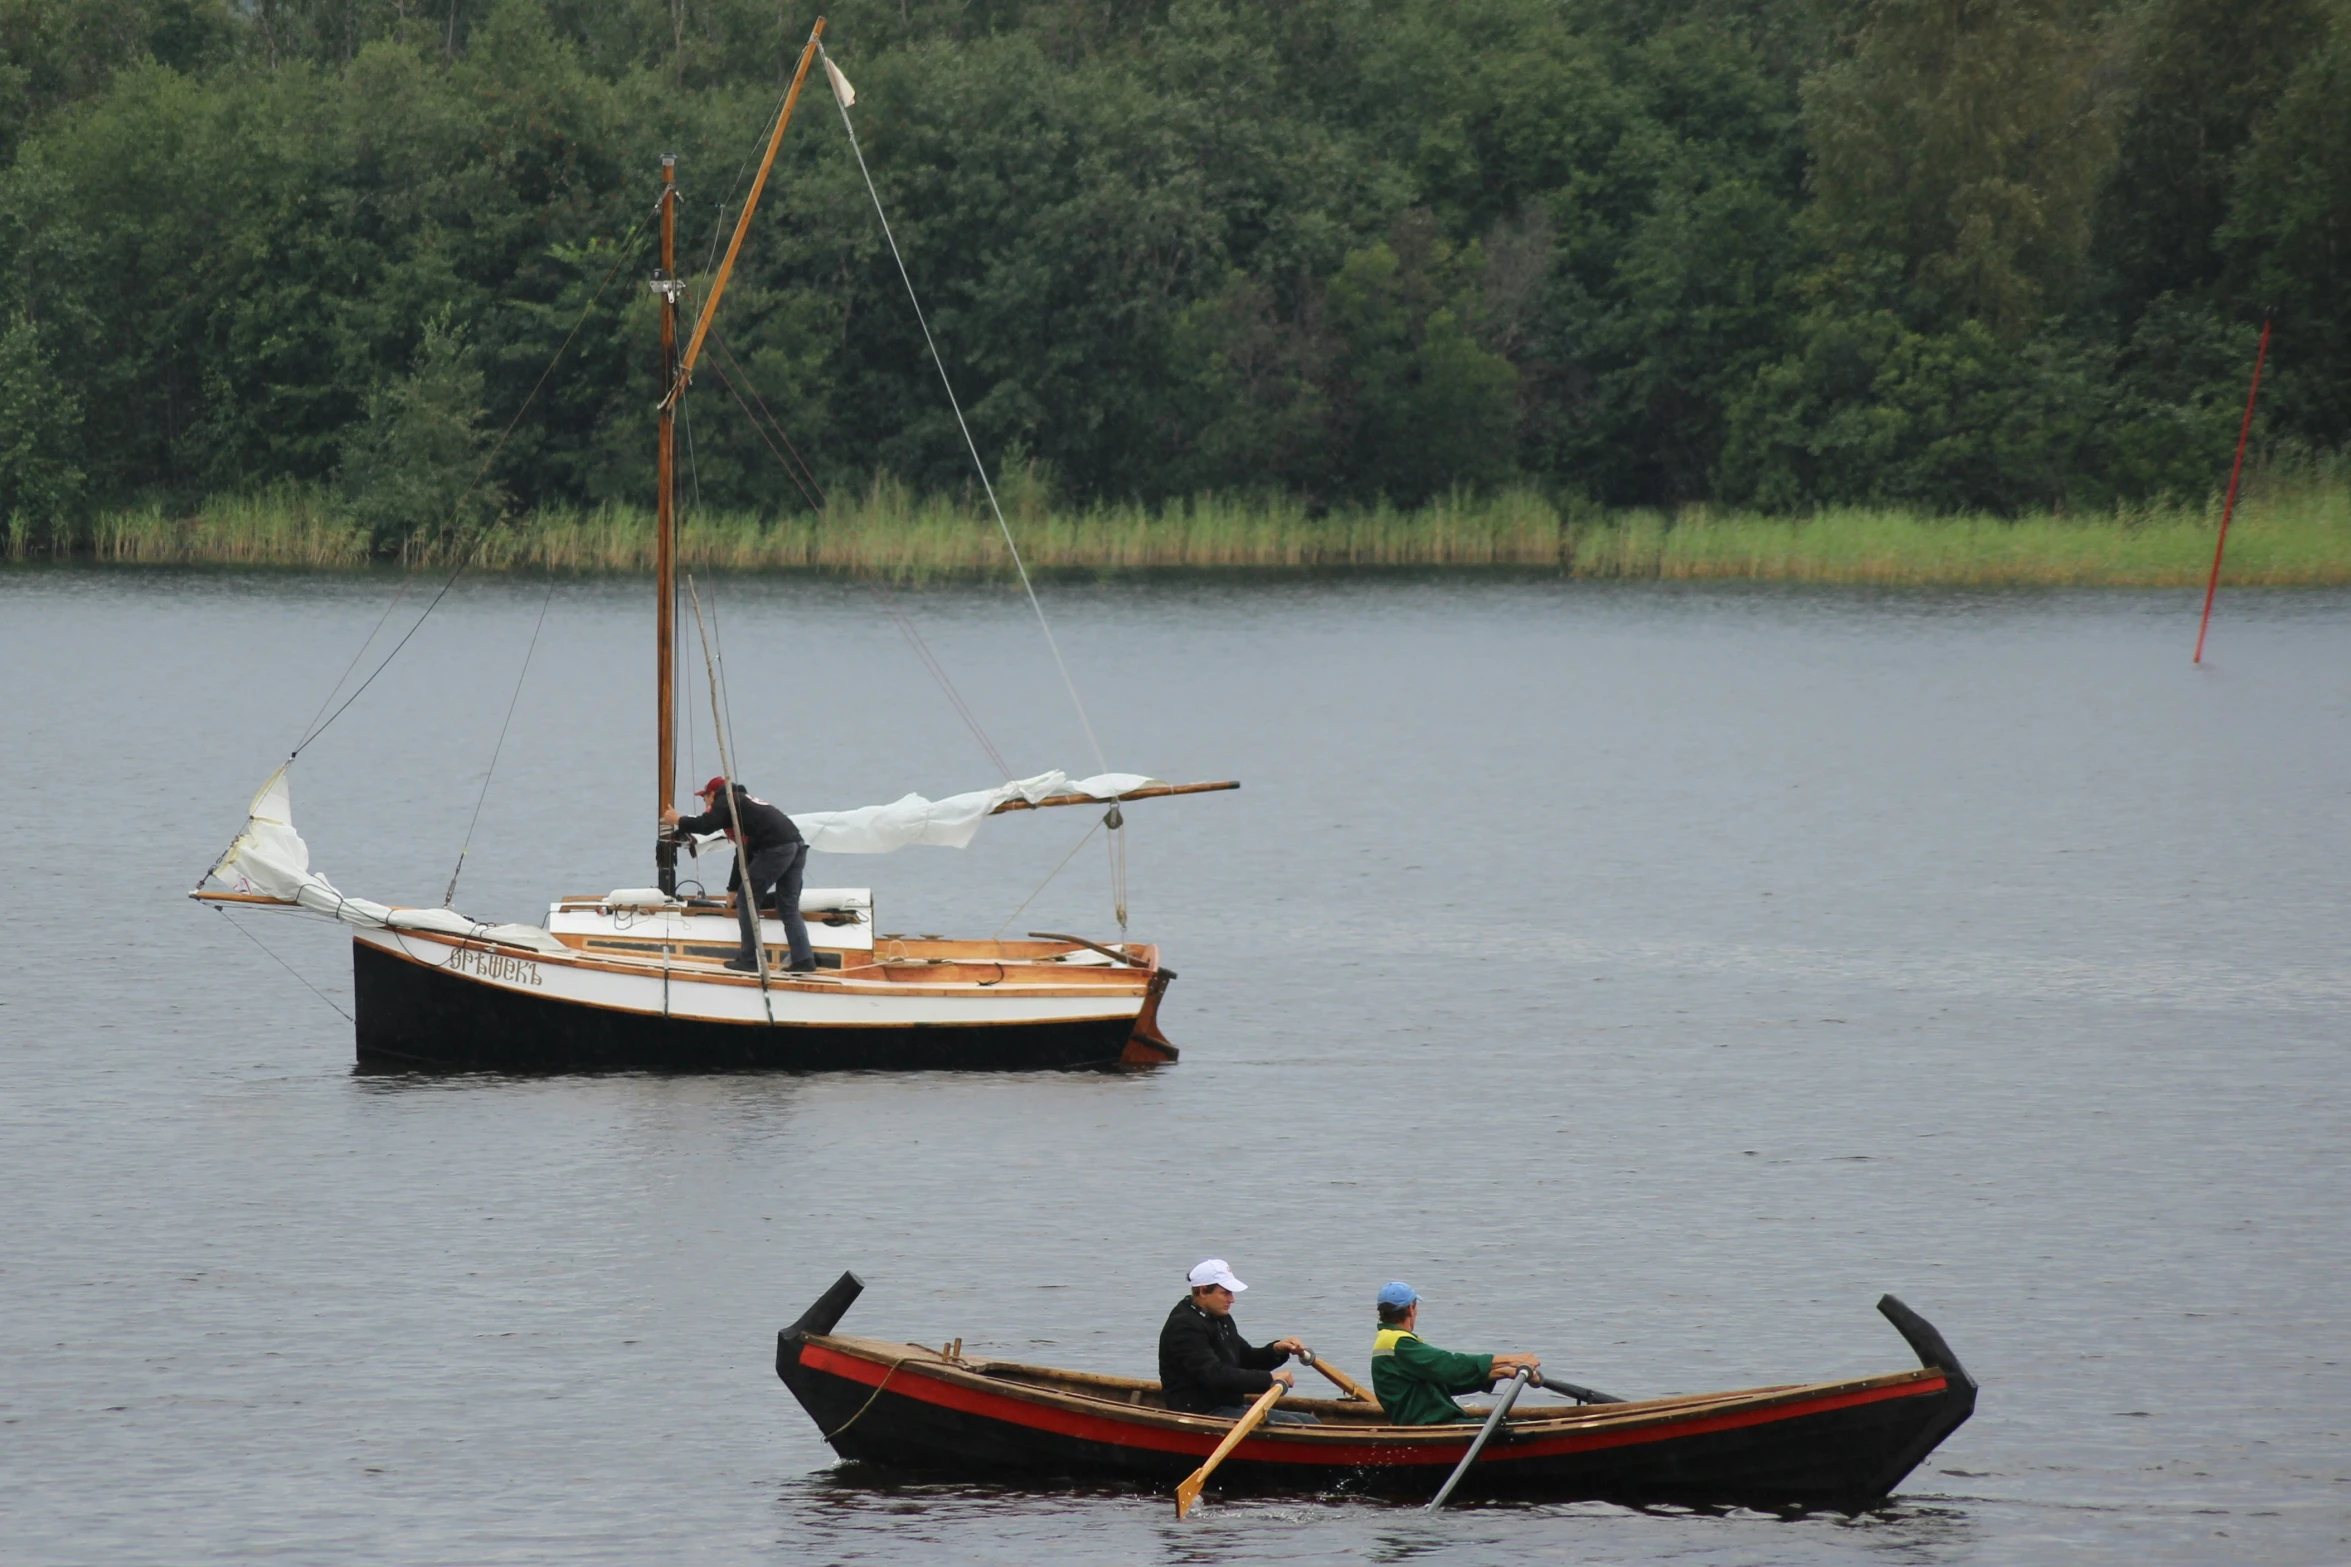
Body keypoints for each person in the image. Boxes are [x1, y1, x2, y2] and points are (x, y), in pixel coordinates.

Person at [662, 776, 816, 973]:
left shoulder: (727, 799)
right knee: (787, 905)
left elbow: (706, 824)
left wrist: (678, 820)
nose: (706, 804)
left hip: (776, 848)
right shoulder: (742, 806)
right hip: (796, 845)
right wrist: (732, 889)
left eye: (704, 798)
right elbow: (742, 853)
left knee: (747, 900)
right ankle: (804, 959)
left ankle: (750, 960)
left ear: (712, 794)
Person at [1158, 1259, 1318, 1425]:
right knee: (1292, 1424)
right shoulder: (1184, 1327)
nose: (1232, 1300)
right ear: (1203, 1291)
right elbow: (1214, 1375)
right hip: (1199, 1412)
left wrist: (1276, 1350)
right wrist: (1269, 1379)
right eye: (1225, 1293)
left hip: (1229, 1405)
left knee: (1310, 1421)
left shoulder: (1221, 1319)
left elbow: (1244, 1358)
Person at [1368, 1281, 1542, 1425]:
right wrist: (1512, 1360)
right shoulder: (1398, 1343)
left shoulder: (1391, 1340)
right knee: (1522, 1427)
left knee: (1517, 1423)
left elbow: (1443, 1381)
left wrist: (1500, 1373)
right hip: (1429, 1424)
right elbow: (1450, 1365)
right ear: (1411, 1309)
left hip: (1429, 1420)